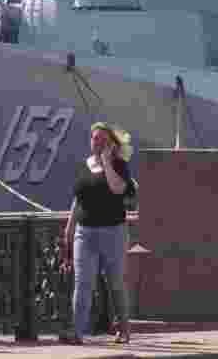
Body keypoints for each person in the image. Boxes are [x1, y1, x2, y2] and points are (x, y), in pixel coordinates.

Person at [60, 122, 136, 345]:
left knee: (115, 282)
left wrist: (106, 162)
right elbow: (78, 199)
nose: (98, 143)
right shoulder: (83, 165)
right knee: (82, 282)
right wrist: (69, 228)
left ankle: (123, 328)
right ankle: (77, 331)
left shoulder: (119, 165)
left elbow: (118, 189)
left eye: (103, 140)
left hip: (113, 231)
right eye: (95, 138)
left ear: (111, 144)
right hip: (85, 232)